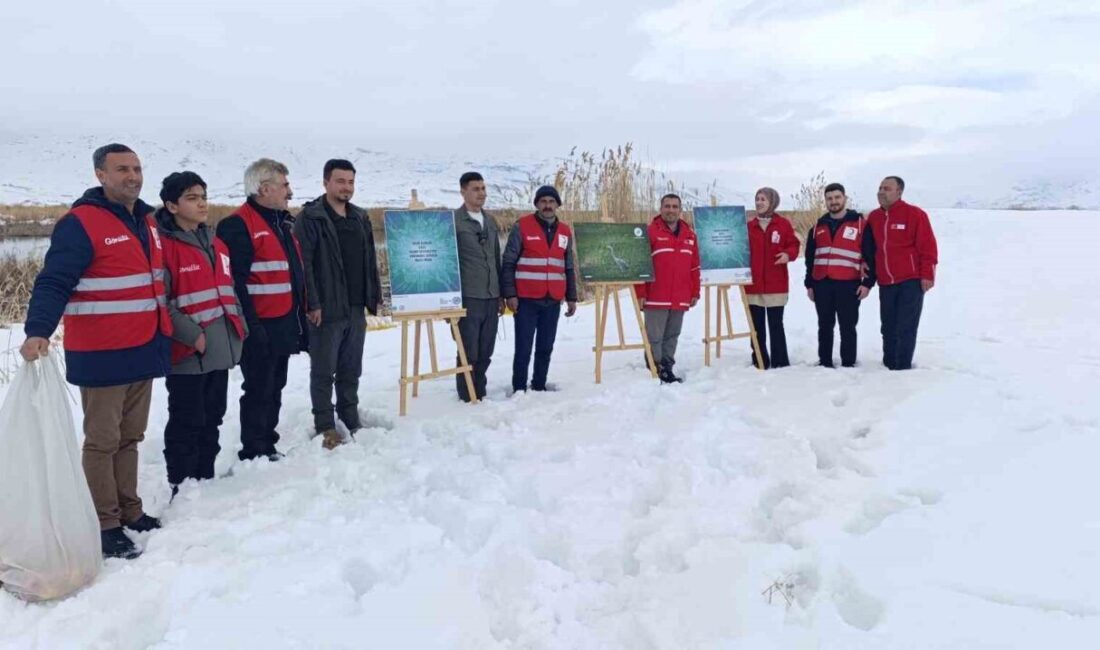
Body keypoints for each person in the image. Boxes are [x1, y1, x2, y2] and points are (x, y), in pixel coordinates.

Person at [21, 143, 172, 560]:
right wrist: (38, 330)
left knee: (131, 436)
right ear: (100, 175)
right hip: (103, 351)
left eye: (138, 168)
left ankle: (130, 509)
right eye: (122, 169)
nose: (133, 176)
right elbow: (54, 281)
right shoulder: (80, 223)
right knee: (102, 441)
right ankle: (104, 523)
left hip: (143, 345)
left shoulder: (147, 220)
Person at [156, 172, 246, 495]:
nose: (202, 203)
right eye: (192, 198)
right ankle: (182, 484)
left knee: (213, 417)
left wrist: (240, 326)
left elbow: (228, 290)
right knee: (187, 420)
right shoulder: (163, 247)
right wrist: (193, 336)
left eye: (203, 196)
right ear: (172, 205)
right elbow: (162, 302)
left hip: (219, 350)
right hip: (188, 353)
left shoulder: (216, 242)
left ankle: (204, 478)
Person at [216, 159, 308, 461]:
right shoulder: (238, 225)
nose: (290, 192)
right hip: (258, 326)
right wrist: (251, 327)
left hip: (283, 322)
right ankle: (254, 449)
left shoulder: (282, 223)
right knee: (258, 387)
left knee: (275, 385)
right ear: (264, 189)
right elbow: (235, 282)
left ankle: (268, 441)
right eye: (284, 186)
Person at [293, 159, 382, 449]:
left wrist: (374, 297)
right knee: (323, 370)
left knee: (350, 368)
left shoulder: (359, 217)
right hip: (326, 309)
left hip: (355, 307)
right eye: (340, 181)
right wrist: (312, 303)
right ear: (326, 182)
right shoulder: (311, 217)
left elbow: (370, 260)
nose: (346, 187)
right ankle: (325, 425)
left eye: (351, 182)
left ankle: (350, 415)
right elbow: (303, 264)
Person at [501, 185, 577, 393]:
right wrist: (510, 294)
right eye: (543, 201)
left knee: (545, 347)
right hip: (525, 299)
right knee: (524, 348)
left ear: (557, 205)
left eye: (552, 202)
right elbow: (508, 262)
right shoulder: (522, 226)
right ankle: (519, 388)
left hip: (552, 300)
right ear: (536, 204)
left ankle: (539, 385)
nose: (547, 205)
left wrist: (571, 297)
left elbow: (568, 266)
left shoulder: (564, 232)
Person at [866, 176, 938, 370]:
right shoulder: (874, 217)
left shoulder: (915, 215)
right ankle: (889, 363)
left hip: (911, 280)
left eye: (887, 188)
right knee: (887, 325)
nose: (881, 192)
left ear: (899, 192)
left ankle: (902, 367)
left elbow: (928, 247)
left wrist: (928, 275)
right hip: (886, 281)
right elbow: (868, 249)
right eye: (880, 188)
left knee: (905, 326)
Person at [804, 183, 876, 367]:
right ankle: (825, 361)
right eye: (829, 198)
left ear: (844, 198)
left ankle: (848, 363)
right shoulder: (818, 226)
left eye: (837, 197)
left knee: (848, 326)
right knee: (825, 326)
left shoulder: (860, 224)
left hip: (848, 284)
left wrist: (867, 283)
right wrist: (809, 284)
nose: (833, 201)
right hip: (822, 284)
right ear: (825, 201)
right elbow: (810, 258)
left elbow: (870, 256)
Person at [634, 193, 700, 383]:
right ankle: (654, 369)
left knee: (672, 335)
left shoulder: (690, 235)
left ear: (680, 210)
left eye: (674, 207)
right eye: (667, 206)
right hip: (656, 295)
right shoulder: (650, 232)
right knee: (655, 336)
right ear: (661, 209)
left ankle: (667, 367)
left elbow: (694, 266)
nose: (671, 210)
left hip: (680, 295)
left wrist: (694, 291)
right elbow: (640, 265)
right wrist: (640, 293)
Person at [452, 171, 503, 402]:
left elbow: (495, 257)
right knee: (468, 349)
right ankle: (466, 394)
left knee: (486, 349)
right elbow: (449, 262)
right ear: (463, 192)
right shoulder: (454, 222)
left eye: (483, 188)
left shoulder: (490, 221)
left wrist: (501, 293)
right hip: (468, 296)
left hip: (491, 296)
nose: (481, 193)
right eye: (475, 189)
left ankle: (479, 389)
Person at [745, 187, 799, 368]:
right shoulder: (749, 226)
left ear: (772, 202)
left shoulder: (783, 224)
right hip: (753, 285)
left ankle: (780, 361)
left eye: (763, 199)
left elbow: (794, 245)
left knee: (776, 324)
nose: (759, 202)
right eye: (757, 198)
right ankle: (760, 360)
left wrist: (788, 254)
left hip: (776, 283)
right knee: (757, 326)